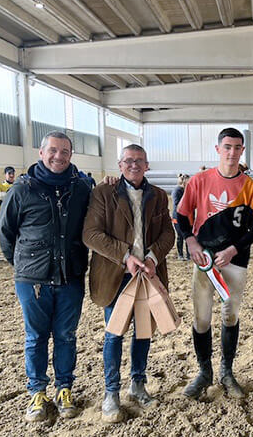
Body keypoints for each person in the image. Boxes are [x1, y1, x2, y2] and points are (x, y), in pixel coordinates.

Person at [0, 131, 91, 422]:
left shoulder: (82, 187)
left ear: (71, 155)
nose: (58, 156)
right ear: (41, 153)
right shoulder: (22, 189)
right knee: (35, 337)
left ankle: (64, 388)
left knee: (66, 336)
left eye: (64, 151)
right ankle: (37, 392)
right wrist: (25, 266)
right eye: (53, 150)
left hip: (71, 276)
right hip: (32, 280)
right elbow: (6, 233)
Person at [83, 144, 174, 422]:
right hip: (116, 276)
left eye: (139, 161)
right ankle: (111, 392)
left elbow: (168, 234)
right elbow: (91, 234)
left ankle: (138, 384)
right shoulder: (103, 193)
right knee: (114, 334)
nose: (134, 165)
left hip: (147, 275)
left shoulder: (159, 196)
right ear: (120, 165)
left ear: (147, 165)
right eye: (129, 160)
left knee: (143, 332)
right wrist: (125, 256)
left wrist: (151, 257)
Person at [176, 128, 253, 400]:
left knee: (230, 315)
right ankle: (204, 372)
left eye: (237, 147)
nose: (232, 152)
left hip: (235, 261)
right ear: (218, 149)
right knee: (201, 318)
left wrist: (233, 249)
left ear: (242, 151)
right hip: (204, 261)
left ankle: (227, 372)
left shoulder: (250, 187)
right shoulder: (199, 181)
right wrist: (191, 241)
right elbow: (181, 216)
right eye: (227, 147)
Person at [171, 174, 190, 260]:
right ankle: (180, 254)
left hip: (187, 216)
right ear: (184, 181)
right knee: (180, 236)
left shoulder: (187, 190)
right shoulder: (177, 190)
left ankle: (189, 255)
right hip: (178, 217)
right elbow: (176, 203)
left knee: (188, 236)